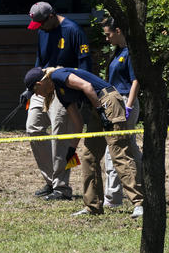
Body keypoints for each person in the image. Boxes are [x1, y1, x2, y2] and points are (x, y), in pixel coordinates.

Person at [23, 65, 144, 218]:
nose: (37, 95)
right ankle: (93, 207)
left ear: (39, 84)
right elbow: (78, 123)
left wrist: (101, 112)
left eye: (35, 91)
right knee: (88, 157)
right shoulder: (60, 93)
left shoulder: (58, 75)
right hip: (97, 107)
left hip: (107, 101)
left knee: (118, 153)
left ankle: (139, 204)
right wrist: (71, 149)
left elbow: (86, 86)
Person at [22, 2, 91, 201]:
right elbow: (39, 60)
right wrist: (30, 88)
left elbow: (85, 64)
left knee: (60, 137)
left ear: (51, 16)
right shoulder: (42, 30)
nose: (40, 28)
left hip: (64, 88)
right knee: (33, 128)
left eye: (42, 23)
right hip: (41, 86)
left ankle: (62, 188)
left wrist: (80, 93)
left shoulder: (73, 31)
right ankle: (51, 180)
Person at [100, 17, 143, 209]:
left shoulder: (130, 53)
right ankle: (145, 184)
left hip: (124, 101)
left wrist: (129, 105)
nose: (106, 39)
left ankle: (112, 196)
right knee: (130, 148)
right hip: (115, 101)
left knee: (114, 148)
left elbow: (136, 80)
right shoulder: (117, 52)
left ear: (118, 31)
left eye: (108, 34)